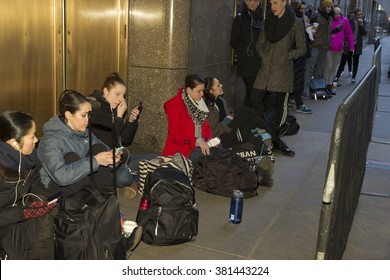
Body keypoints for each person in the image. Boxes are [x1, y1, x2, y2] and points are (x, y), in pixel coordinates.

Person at [37, 90, 121, 197]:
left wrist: (112, 159)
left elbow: (103, 157)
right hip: (55, 188)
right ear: (68, 115)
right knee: (71, 158)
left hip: (82, 180)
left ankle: (106, 204)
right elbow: (61, 176)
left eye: (89, 115)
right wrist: (96, 161)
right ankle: (93, 206)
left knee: (98, 148)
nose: (88, 120)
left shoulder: (85, 132)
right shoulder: (51, 140)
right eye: (83, 115)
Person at [250, 0, 306, 156]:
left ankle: (274, 139)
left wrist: (287, 56)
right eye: (270, 3)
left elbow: (302, 48)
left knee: (280, 106)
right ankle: (268, 138)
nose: (272, 6)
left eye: (275, 3)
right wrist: (263, 55)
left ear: (284, 2)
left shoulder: (295, 22)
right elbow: (259, 44)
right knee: (255, 101)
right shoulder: (268, 20)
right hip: (265, 69)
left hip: (283, 71)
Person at [89, 72, 156, 199]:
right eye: (117, 94)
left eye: (123, 95)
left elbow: (125, 141)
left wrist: (131, 121)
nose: (121, 99)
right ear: (105, 91)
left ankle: (130, 183)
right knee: (125, 177)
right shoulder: (94, 108)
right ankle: (131, 183)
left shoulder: (113, 107)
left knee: (155, 158)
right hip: (103, 166)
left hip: (119, 158)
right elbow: (107, 141)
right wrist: (119, 117)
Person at [0, 110, 57, 259]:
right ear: (14, 143)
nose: (36, 140)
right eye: (32, 136)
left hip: (14, 215)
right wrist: (23, 212)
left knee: (43, 218)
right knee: (14, 232)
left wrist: (44, 202)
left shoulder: (30, 161)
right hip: (6, 222)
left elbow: (38, 187)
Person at [162, 74, 220, 164]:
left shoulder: (199, 102)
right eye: (199, 91)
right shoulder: (175, 107)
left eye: (203, 90)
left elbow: (206, 126)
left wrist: (210, 139)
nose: (202, 94)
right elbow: (175, 136)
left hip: (200, 145)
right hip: (182, 150)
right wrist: (197, 142)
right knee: (213, 162)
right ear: (189, 90)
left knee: (223, 155)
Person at [230, 0, 263, 106]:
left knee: (252, 95)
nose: (252, 3)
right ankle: (251, 118)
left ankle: (247, 119)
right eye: (249, 0)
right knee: (254, 93)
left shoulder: (262, 17)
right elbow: (233, 41)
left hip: (260, 62)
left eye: (255, 0)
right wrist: (246, 50)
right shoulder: (240, 18)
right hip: (246, 62)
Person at [302, 0, 333, 98]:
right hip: (315, 45)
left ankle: (316, 89)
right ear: (323, 7)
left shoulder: (329, 18)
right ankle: (305, 89)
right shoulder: (316, 16)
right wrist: (312, 32)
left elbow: (328, 32)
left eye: (330, 7)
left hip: (324, 47)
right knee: (309, 68)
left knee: (320, 69)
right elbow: (308, 29)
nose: (329, 8)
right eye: (327, 6)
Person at [323, 7, 354, 94]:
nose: (337, 15)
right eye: (335, 13)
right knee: (328, 66)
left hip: (338, 48)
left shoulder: (344, 21)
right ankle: (325, 85)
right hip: (329, 47)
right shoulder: (329, 19)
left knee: (334, 67)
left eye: (338, 13)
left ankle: (329, 85)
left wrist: (352, 46)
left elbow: (349, 34)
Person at [290, 0, 312, 114]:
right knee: (297, 79)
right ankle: (298, 103)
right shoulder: (297, 19)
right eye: (301, 8)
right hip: (297, 53)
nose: (303, 11)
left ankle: (295, 101)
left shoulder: (301, 19)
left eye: (305, 9)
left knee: (296, 79)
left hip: (297, 53)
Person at [335, 8, 366, 85]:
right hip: (348, 45)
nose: (360, 16)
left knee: (356, 62)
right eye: (358, 15)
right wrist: (345, 43)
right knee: (343, 61)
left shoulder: (361, 22)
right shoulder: (349, 21)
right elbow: (345, 33)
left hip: (357, 45)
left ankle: (353, 78)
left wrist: (361, 25)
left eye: (361, 15)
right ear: (355, 15)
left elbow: (364, 33)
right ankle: (337, 77)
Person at [334, 10, 355, 81]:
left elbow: (350, 35)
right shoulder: (344, 21)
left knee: (346, 60)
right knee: (342, 61)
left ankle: (338, 75)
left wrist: (351, 46)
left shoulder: (350, 22)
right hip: (341, 44)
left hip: (345, 45)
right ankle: (337, 76)